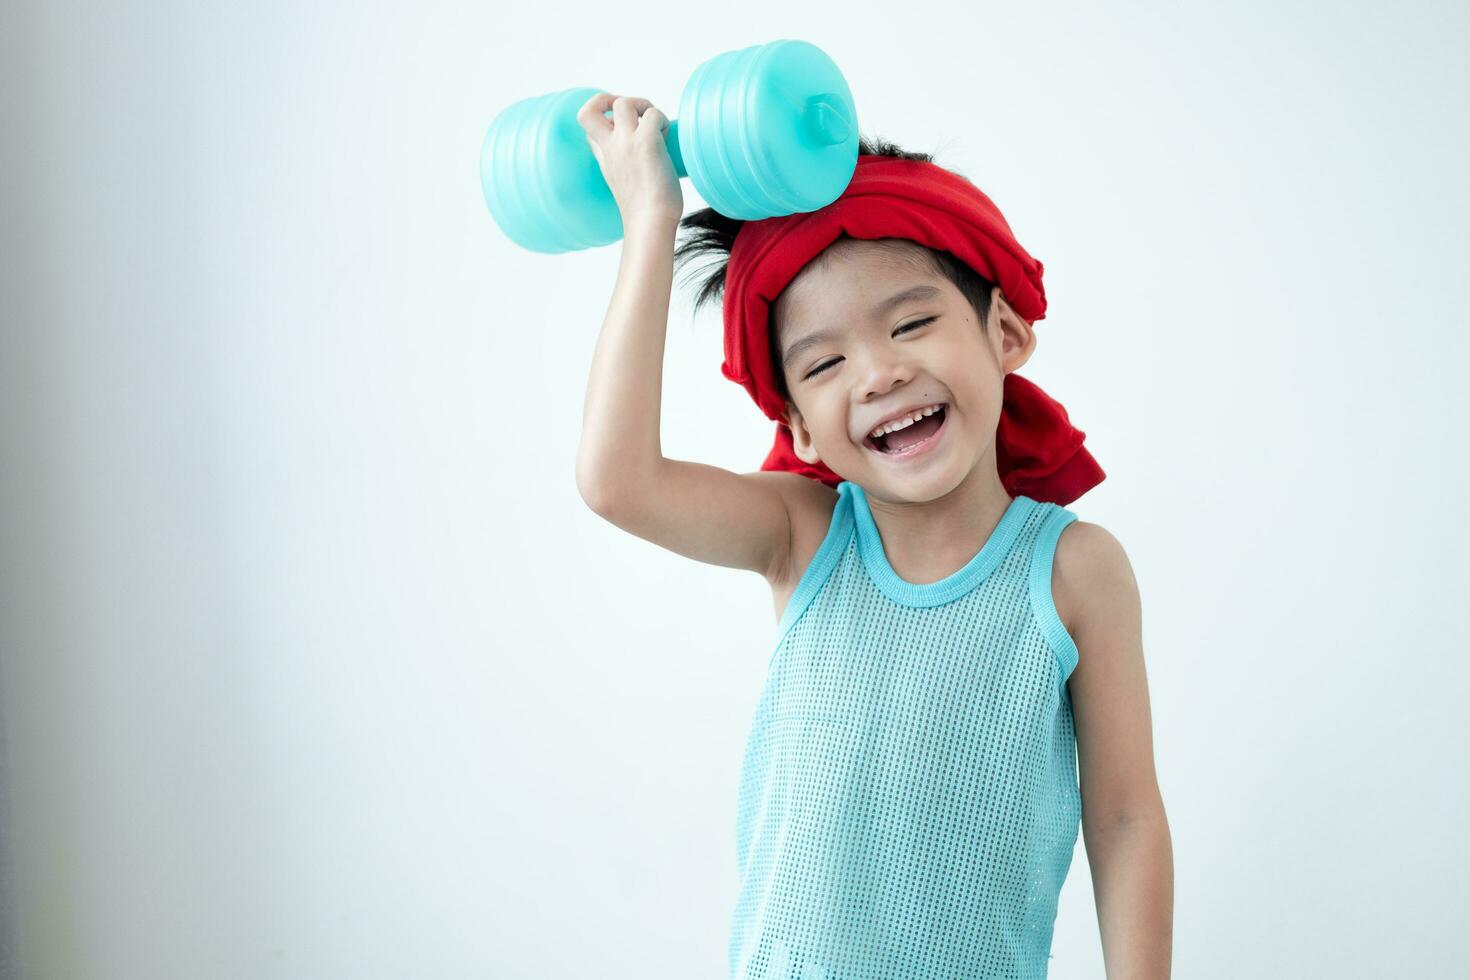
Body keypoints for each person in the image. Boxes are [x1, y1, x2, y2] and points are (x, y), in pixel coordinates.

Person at [573, 92, 1173, 979]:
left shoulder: (1075, 571)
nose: (880, 372)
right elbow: (618, 483)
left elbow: (1124, 823)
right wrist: (650, 224)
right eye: (824, 363)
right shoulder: (802, 536)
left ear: (1004, 331)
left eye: (911, 322)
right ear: (801, 430)